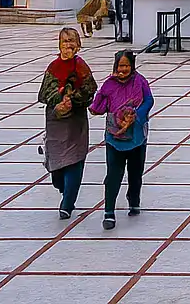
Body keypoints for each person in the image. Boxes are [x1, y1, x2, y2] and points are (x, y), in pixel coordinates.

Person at [90, 50, 153, 229]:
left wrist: (136, 115)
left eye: (126, 66)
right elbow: (99, 105)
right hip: (114, 137)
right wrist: (98, 100)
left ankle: (134, 200)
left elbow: (149, 101)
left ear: (132, 66)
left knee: (135, 172)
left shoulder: (140, 81)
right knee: (113, 175)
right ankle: (109, 212)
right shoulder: (109, 83)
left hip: (136, 136)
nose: (122, 70)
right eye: (120, 66)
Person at [39, 27, 96, 219]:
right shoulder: (53, 67)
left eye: (72, 41)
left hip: (75, 121)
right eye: (65, 41)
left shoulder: (81, 67)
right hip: (56, 121)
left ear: (78, 45)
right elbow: (44, 93)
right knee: (57, 168)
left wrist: (74, 100)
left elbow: (90, 90)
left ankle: (68, 203)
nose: (68, 45)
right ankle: (64, 188)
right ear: (59, 45)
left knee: (74, 159)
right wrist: (59, 100)